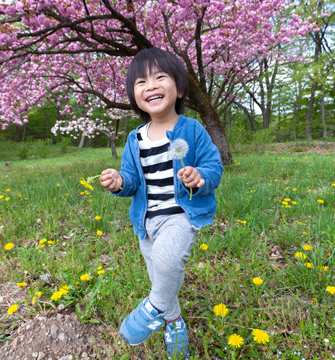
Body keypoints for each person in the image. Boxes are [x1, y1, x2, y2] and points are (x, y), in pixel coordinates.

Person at [99, 48, 223, 359]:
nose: (151, 85)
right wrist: (119, 182)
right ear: (134, 96)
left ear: (179, 88)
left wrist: (200, 176)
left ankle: (151, 309)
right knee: (161, 277)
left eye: (160, 77)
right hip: (147, 222)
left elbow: (214, 165)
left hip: (181, 215)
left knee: (168, 264)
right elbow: (132, 179)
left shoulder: (191, 129)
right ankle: (173, 320)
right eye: (141, 81)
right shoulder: (135, 138)